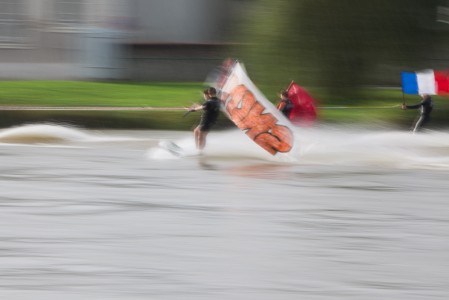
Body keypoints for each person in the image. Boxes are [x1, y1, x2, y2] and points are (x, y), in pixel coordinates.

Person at [187, 87, 221, 152]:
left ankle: (200, 151)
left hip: (207, 121)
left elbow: (203, 107)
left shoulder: (210, 102)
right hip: (209, 121)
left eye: (204, 95)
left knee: (201, 136)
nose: (204, 97)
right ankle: (197, 148)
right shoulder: (216, 101)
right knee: (196, 131)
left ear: (208, 94)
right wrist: (196, 106)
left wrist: (193, 109)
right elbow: (205, 107)